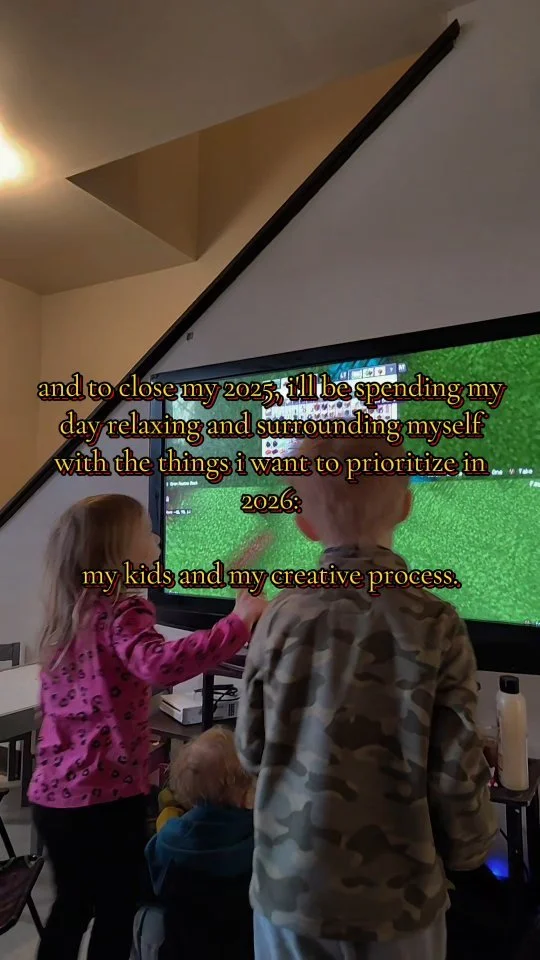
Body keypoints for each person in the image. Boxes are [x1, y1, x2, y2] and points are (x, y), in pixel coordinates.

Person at [235, 435, 497, 960]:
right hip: (398, 904)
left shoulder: (279, 618)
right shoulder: (436, 622)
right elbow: (456, 770)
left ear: (304, 524)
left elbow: (251, 749)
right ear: (405, 506)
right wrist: (471, 852)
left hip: (290, 897)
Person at [29, 494, 266, 960]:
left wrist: (237, 565)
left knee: (71, 908)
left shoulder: (71, 617)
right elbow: (160, 664)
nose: (157, 538)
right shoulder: (123, 613)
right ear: (119, 555)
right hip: (104, 800)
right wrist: (238, 622)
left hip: (53, 800)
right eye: (147, 532)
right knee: (116, 908)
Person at [133, 726, 255, 960]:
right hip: (242, 948)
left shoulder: (169, 838)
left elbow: (148, 888)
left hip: (180, 948)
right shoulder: (258, 835)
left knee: (144, 912)